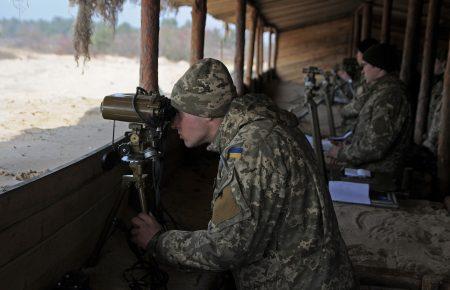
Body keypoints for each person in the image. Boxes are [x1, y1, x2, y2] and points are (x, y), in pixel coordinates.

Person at [130, 58, 356, 289]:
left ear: (207, 112)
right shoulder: (261, 126)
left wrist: (158, 241)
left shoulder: (252, 149)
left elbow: (227, 248)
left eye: (180, 113)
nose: (174, 124)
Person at [328, 43, 412, 176]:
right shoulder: (381, 90)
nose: (362, 71)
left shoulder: (391, 96)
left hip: (377, 173)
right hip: (368, 168)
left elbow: (376, 146)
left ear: (379, 67)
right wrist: (348, 146)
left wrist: (341, 153)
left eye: (365, 65)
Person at [339, 38, 379, 134]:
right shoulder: (366, 72)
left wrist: (348, 80)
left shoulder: (370, 76)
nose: (356, 55)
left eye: (358, 52)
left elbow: (358, 102)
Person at [422, 48, 448, 155]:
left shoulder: (444, 86)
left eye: (435, 62)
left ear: (444, 63)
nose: (432, 65)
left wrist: (430, 140)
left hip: (437, 143)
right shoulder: (439, 83)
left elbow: (440, 115)